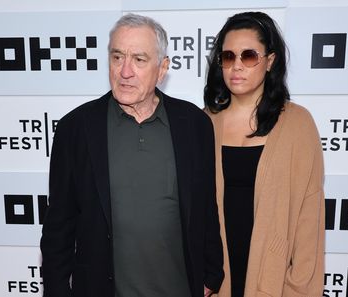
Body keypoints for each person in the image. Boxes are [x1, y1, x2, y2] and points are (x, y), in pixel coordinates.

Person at [40, 13, 224, 297]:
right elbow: (58, 228)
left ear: (162, 69)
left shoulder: (194, 125)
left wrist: (212, 272)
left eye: (139, 60)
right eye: (117, 57)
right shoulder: (75, 129)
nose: (124, 71)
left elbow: (205, 206)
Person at [204, 11, 325, 297]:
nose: (236, 66)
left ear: (270, 61)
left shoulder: (297, 124)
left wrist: (298, 290)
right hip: (216, 279)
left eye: (248, 56)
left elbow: (310, 220)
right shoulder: (204, 122)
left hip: (274, 280)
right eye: (228, 56)